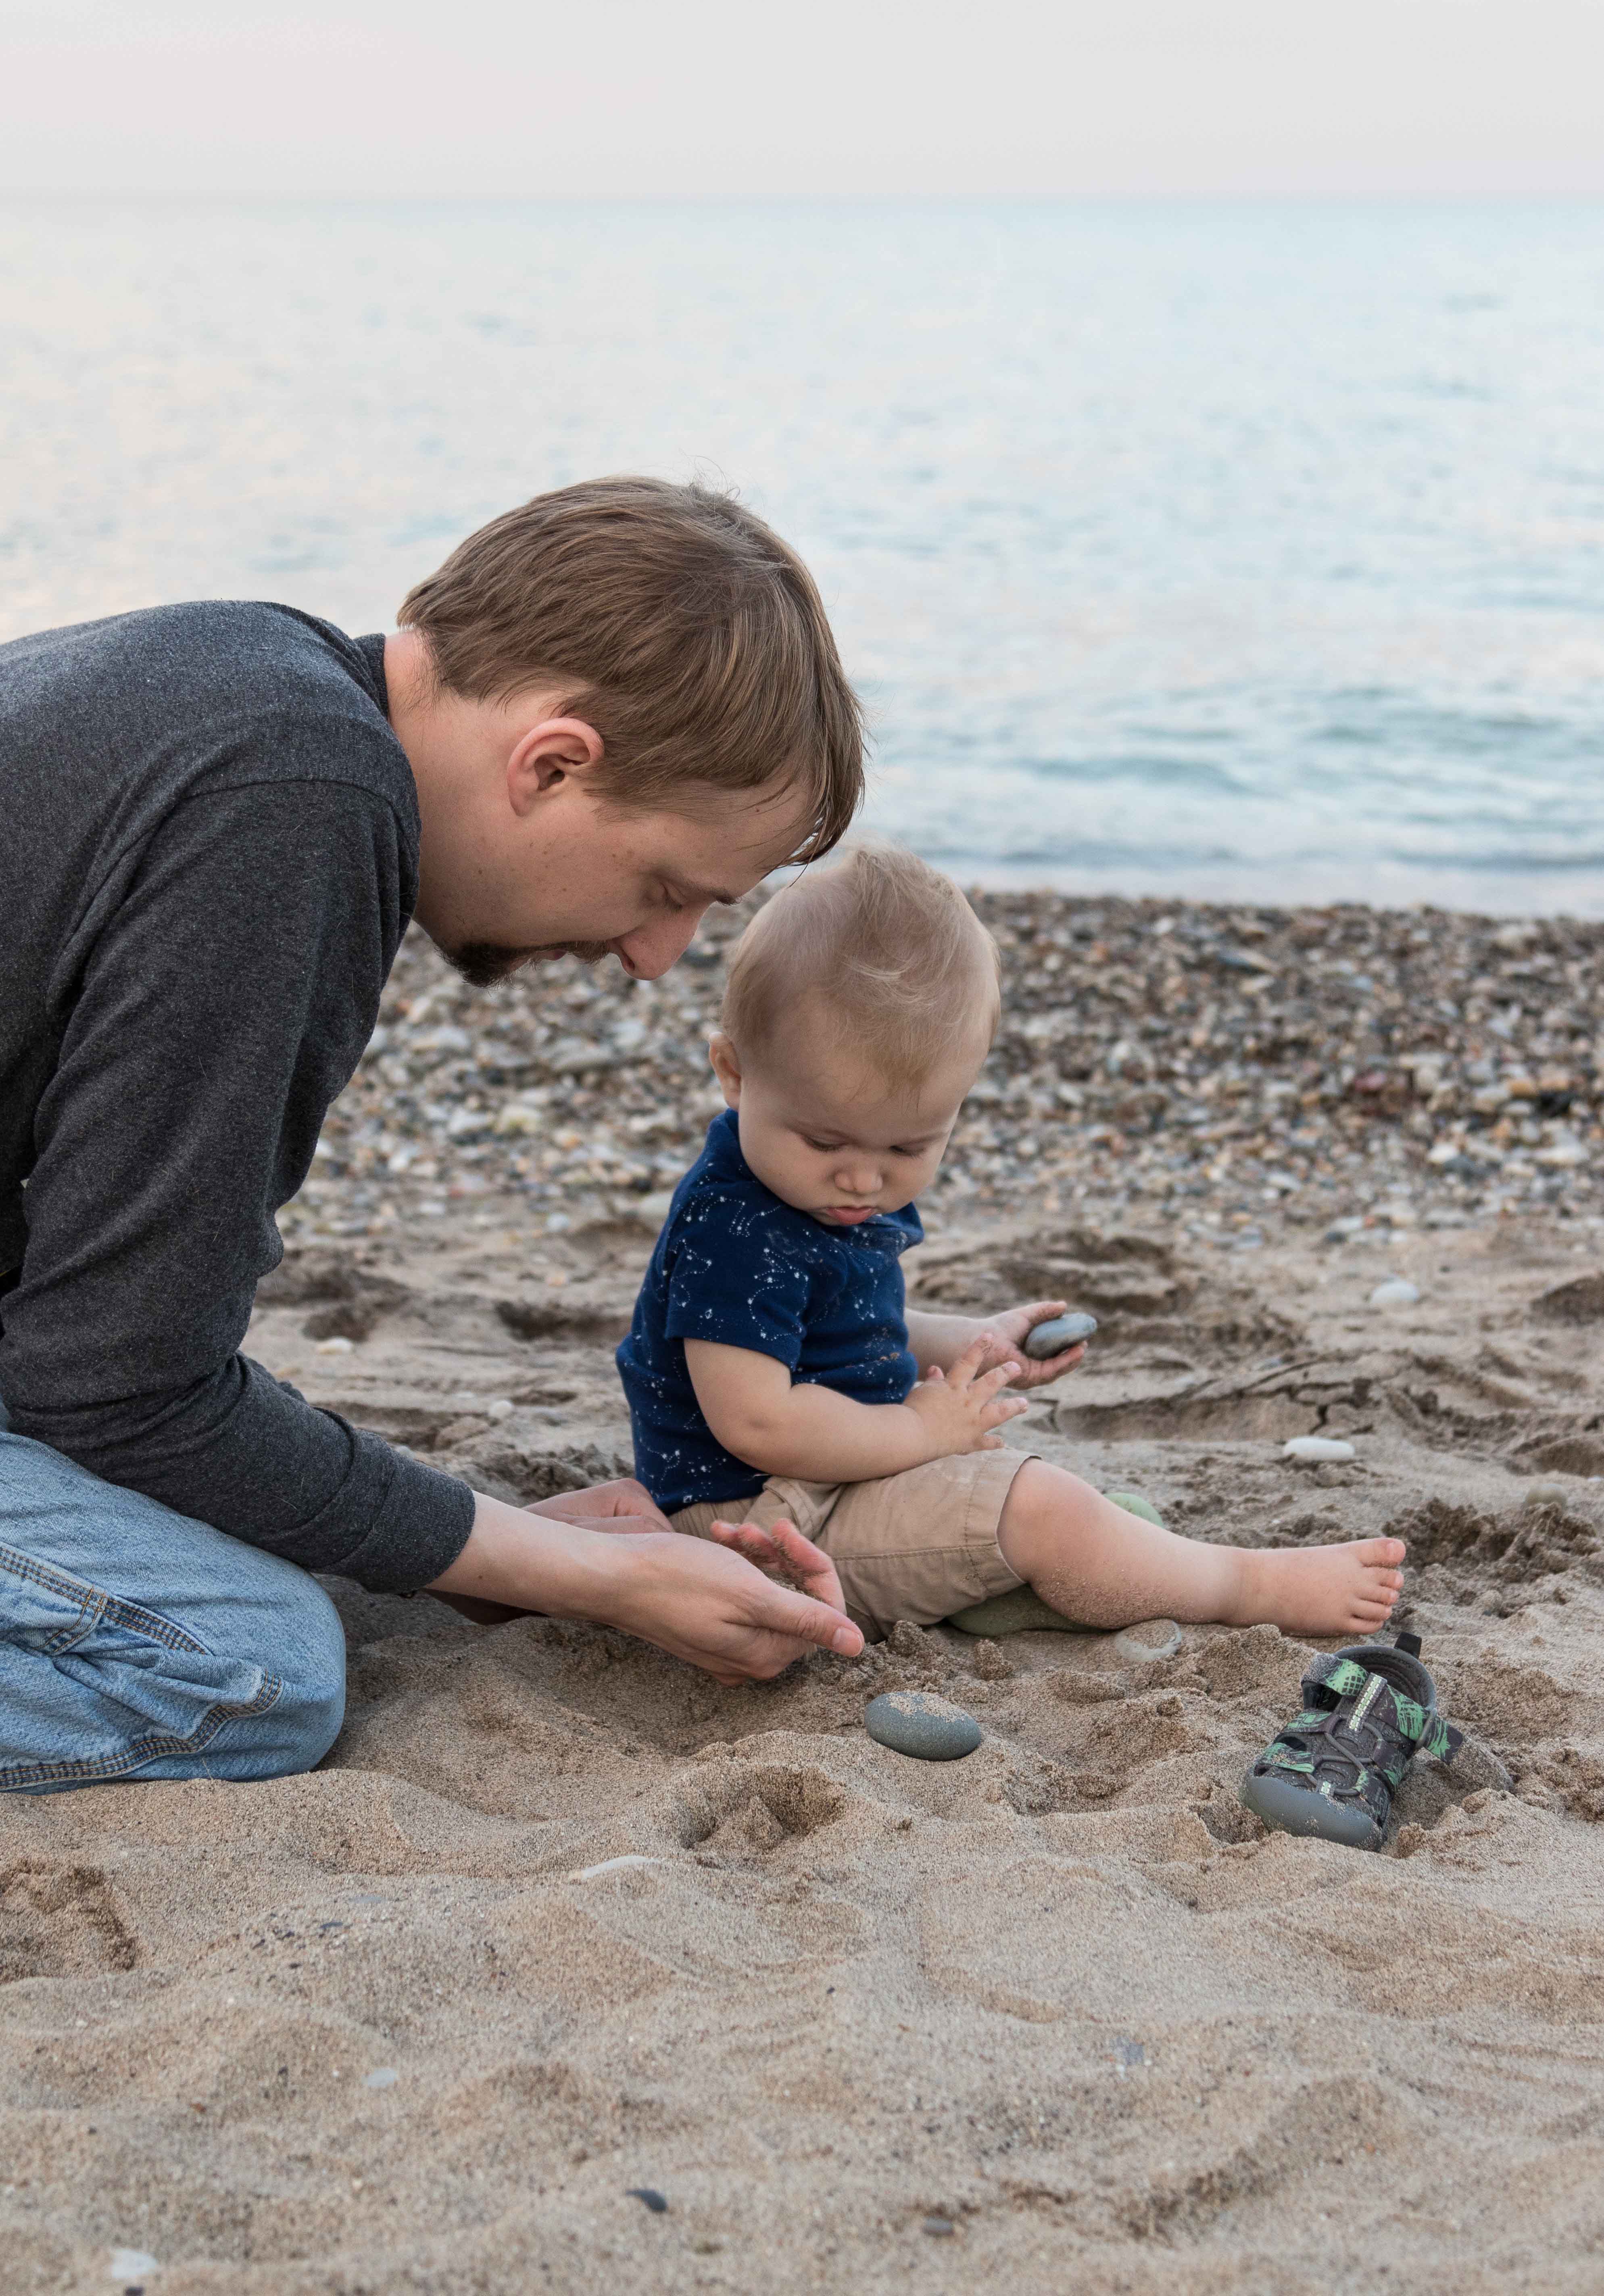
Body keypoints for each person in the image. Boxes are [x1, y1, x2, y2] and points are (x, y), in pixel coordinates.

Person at [0, 478, 869, 1795]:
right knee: (247, 1665)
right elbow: (122, 1389)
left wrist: (476, 1534)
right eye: (665, 888)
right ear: (552, 763)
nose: (652, 956)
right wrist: (574, 1569)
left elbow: (78, 1334)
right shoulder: (297, 800)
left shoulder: (249, 673)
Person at [617, 843, 1408, 1642]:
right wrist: (922, 1433)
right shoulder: (737, 1230)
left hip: (832, 1471)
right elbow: (757, 1421)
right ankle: (1249, 1584)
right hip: (758, 1523)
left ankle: (1062, 1579)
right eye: (826, 1143)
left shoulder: (809, 1190)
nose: (862, 1181)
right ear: (735, 1073)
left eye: (906, 1150)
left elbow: (830, 1325)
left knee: (1044, 1505)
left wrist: (972, 1339)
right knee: (1045, 1509)